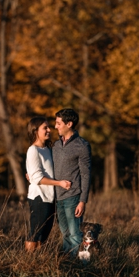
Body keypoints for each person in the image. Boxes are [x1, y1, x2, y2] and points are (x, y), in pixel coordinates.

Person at [25, 116, 71, 252]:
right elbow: (37, 178)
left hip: (50, 198)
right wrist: (59, 183)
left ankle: (39, 259)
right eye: (45, 128)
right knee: (35, 233)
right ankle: (28, 260)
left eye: (48, 127)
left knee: (44, 235)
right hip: (39, 197)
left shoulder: (48, 149)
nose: (49, 130)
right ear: (35, 131)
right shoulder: (33, 150)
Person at [52, 108, 92, 258]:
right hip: (58, 196)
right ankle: (66, 261)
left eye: (58, 123)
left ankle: (76, 263)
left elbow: (86, 174)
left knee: (75, 234)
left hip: (73, 196)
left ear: (69, 124)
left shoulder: (82, 145)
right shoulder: (55, 145)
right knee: (65, 233)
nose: (55, 126)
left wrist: (82, 201)